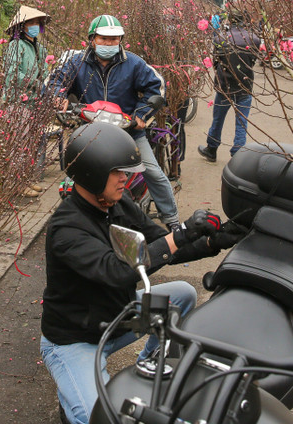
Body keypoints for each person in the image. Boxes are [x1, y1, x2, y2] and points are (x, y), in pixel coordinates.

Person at [40, 123, 244, 424]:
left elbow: (159, 245)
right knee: (96, 416)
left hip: (116, 315)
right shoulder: (66, 229)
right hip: (74, 340)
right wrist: (180, 234)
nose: (127, 177)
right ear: (92, 173)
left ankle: (147, 371)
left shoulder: (116, 203)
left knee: (183, 295)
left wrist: (212, 241)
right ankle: (72, 394)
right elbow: (118, 271)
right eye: (118, 172)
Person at [48, 14, 182, 229]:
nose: (109, 44)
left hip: (128, 132)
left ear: (121, 40)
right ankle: (73, 221)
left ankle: (173, 220)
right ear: (92, 39)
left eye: (114, 39)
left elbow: (156, 87)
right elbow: (56, 80)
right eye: (103, 39)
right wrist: (58, 95)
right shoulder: (77, 63)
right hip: (91, 131)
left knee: (153, 172)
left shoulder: (134, 63)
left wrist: (142, 114)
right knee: (75, 175)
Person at [198, 11, 262, 162]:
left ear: (230, 21)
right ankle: (238, 154)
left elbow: (216, 60)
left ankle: (212, 149)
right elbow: (253, 60)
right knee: (242, 121)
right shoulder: (254, 38)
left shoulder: (220, 38)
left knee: (218, 119)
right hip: (245, 84)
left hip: (225, 84)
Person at [2, 5, 51, 198]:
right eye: (31, 22)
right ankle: (15, 184)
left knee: (29, 143)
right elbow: (13, 74)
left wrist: (49, 82)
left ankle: (24, 179)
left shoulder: (39, 48)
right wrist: (37, 83)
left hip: (34, 102)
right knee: (18, 144)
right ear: (21, 26)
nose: (35, 26)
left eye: (37, 23)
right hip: (17, 101)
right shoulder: (16, 46)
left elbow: (45, 72)